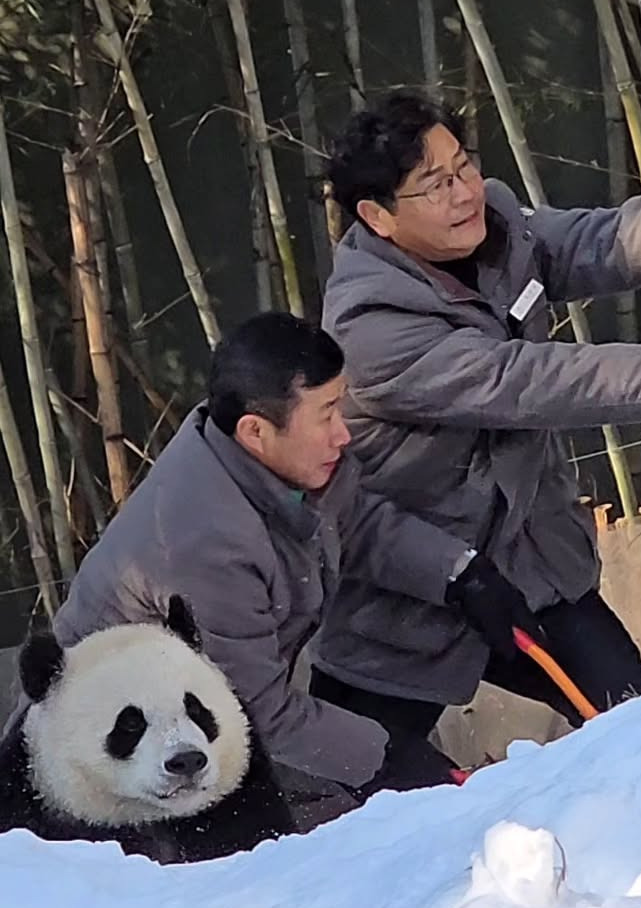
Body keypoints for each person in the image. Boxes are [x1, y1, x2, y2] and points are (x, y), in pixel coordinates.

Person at [314, 90, 641, 741]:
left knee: (636, 724)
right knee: (367, 797)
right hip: (408, 594)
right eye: (434, 184)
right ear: (378, 215)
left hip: (528, 563)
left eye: (463, 165)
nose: (464, 191)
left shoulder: (495, 219)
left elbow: (586, 243)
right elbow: (521, 381)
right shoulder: (370, 327)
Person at [34, 313, 484, 823]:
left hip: (197, 740)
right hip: (115, 779)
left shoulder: (260, 455)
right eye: (328, 413)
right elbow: (257, 711)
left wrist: (459, 571)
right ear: (256, 431)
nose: (344, 434)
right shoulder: (204, 544)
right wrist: (384, 755)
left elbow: (356, 524)